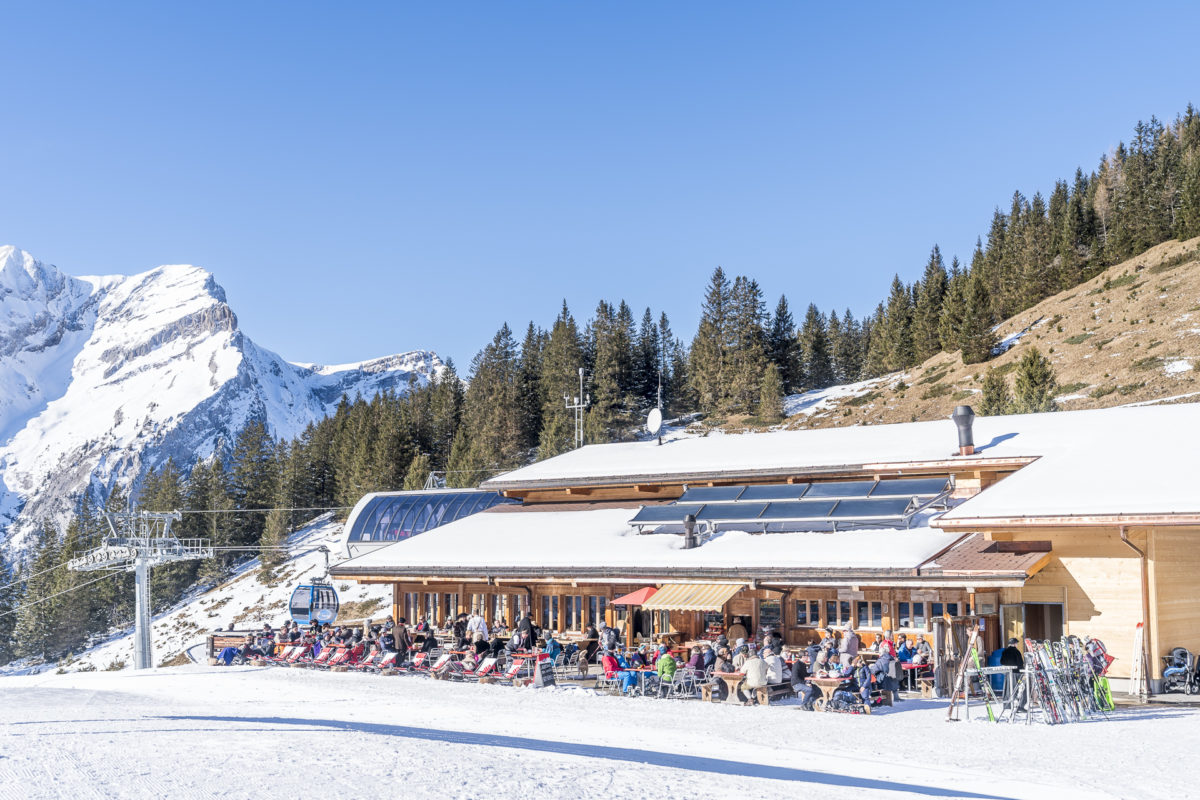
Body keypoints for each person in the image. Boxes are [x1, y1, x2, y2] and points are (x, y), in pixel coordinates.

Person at [1000, 638, 1026, 711]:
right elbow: (1020, 663)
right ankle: (1019, 706)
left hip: (1008, 673)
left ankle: (1008, 705)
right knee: (1020, 690)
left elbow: (1002, 662)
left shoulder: (1005, 651)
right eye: (1016, 643)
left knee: (1008, 690)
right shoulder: (1016, 651)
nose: (1017, 645)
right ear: (1014, 644)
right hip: (1017, 673)